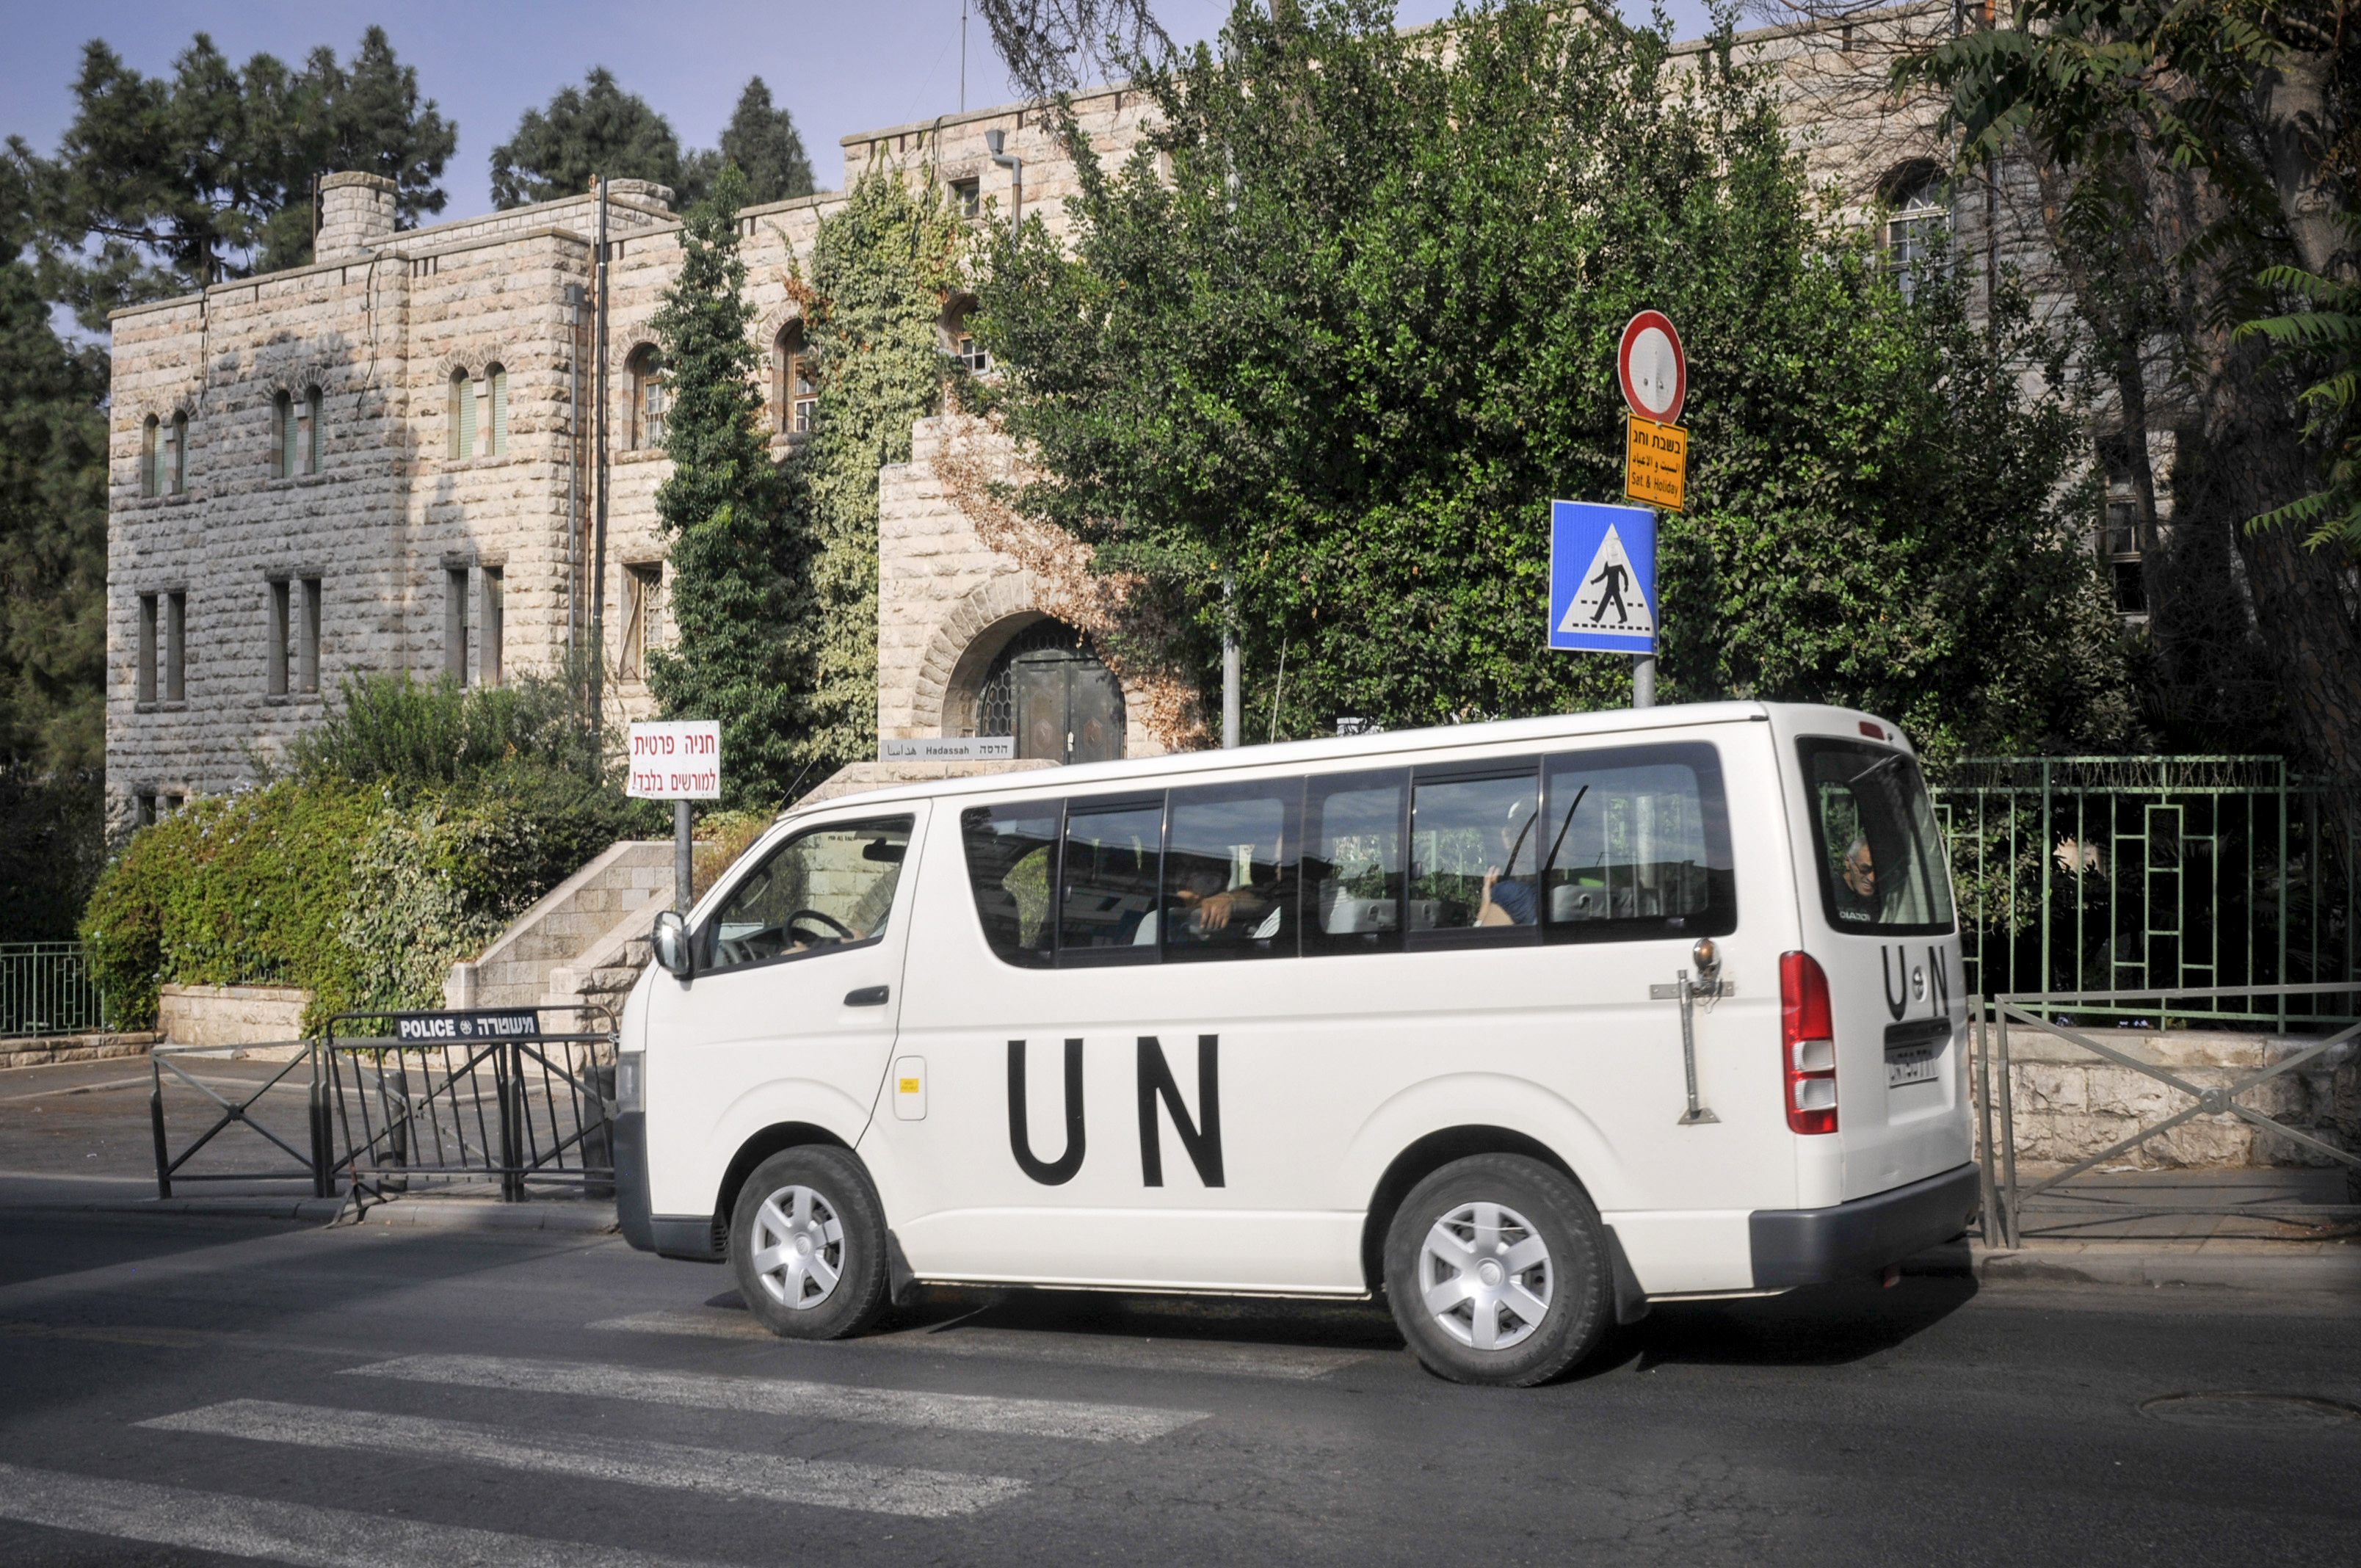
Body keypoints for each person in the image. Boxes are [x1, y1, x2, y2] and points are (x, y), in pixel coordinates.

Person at [1477, 806, 1539, 926]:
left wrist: (1485, 908)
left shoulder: (1512, 895)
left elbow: (1479, 942)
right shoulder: (1550, 893)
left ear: (1506, 837)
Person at [1832, 836, 1879, 922]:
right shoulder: (1829, 893)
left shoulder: (1883, 898)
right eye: (1864, 869)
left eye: (1878, 871)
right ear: (1848, 862)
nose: (1872, 879)